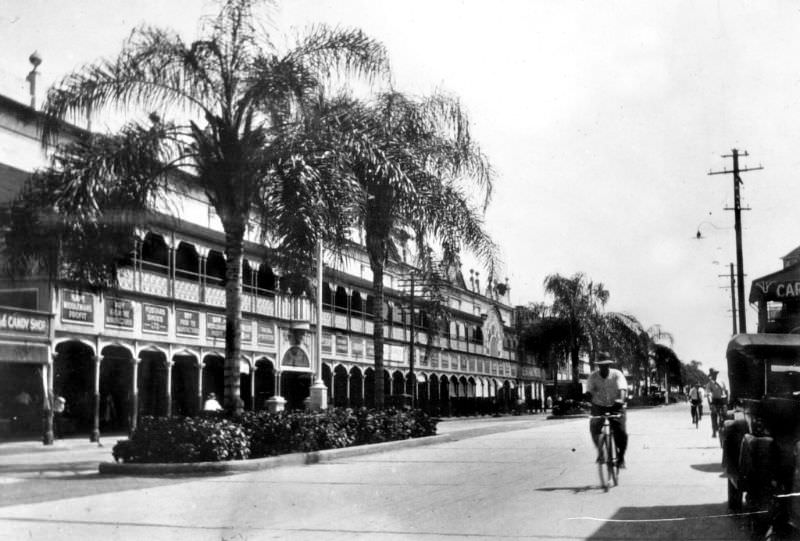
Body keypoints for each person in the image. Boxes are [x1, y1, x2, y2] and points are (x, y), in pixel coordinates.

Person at [587, 351, 629, 468]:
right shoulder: (593, 376)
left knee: (621, 433)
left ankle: (621, 457)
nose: (603, 367)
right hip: (598, 406)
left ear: (609, 365)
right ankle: (601, 452)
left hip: (616, 406)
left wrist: (620, 400)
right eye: (601, 365)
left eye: (606, 364)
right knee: (594, 428)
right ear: (598, 365)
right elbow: (589, 391)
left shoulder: (617, 374)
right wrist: (586, 401)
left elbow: (622, 389)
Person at [705, 368, 728, 438]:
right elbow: (708, 394)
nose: (715, 375)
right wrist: (710, 404)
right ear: (711, 375)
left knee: (725, 414)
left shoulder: (721, 382)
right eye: (713, 374)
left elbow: (725, 390)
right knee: (714, 415)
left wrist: (726, 400)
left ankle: (724, 428)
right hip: (714, 401)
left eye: (715, 374)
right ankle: (714, 431)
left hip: (722, 400)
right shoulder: (709, 384)